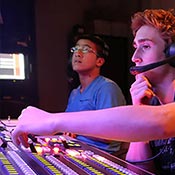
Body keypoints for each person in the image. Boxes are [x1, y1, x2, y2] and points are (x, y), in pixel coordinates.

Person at [11, 9, 175, 175]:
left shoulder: (161, 115)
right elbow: (139, 171)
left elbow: (162, 120)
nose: (135, 57)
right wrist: (140, 109)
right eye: (135, 47)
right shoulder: (152, 102)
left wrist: (52, 120)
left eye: (146, 46)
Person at [66, 34, 126, 154]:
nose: (78, 53)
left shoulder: (107, 88)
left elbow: (110, 134)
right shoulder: (74, 93)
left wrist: (75, 128)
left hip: (100, 156)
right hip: (74, 151)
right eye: (76, 49)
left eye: (86, 49)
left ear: (99, 61)